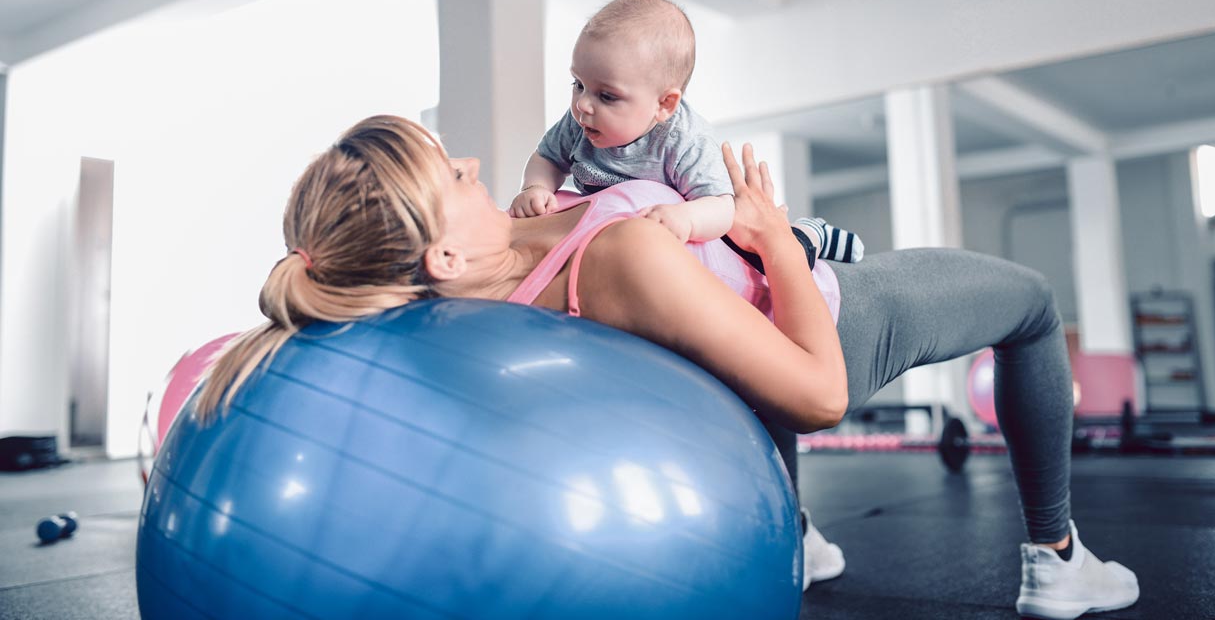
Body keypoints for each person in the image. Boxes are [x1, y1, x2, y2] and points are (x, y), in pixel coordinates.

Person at [199, 115, 1139, 620]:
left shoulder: (480, 291)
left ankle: (795, 537)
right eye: (454, 175)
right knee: (1030, 303)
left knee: (731, 347)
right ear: (437, 257)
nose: (475, 163)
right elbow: (818, 395)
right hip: (833, 317)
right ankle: (1055, 558)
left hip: (728, 364)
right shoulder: (620, 263)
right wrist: (775, 243)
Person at [509, 0, 864, 267]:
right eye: (578, 84)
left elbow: (723, 208)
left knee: (761, 254)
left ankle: (810, 234)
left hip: (717, 232)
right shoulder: (579, 123)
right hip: (627, 240)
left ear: (664, 104)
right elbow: (547, 158)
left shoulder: (683, 142)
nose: (584, 104)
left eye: (607, 95)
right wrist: (536, 186)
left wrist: (687, 219)